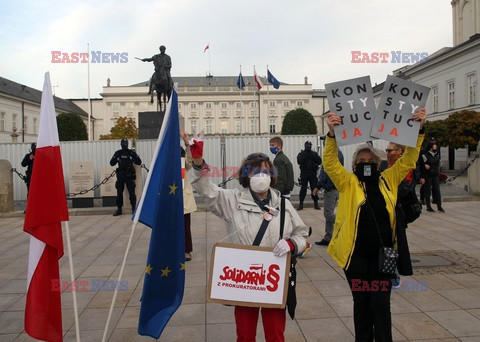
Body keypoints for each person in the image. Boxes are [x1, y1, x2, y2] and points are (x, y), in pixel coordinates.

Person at [189, 133, 308, 341]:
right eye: (254, 171)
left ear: (271, 174)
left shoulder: (284, 204)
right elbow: (208, 192)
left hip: (273, 281)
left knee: (275, 334)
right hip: (245, 282)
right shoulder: (232, 201)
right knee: (244, 335)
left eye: (264, 171)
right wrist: (198, 162)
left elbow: (302, 235)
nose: (260, 175)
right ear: (245, 174)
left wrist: (291, 244)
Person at [323, 109, 427, 341]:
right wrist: (332, 135)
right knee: (362, 301)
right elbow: (330, 164)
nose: (367, 164)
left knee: (381, 303)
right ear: (354, 165)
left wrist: (419, 130)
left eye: (371, 161)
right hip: (356, 256)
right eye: (362, 161)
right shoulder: (347, 182)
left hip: (385, 255)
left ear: (379, 164)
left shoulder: (389, 179)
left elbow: (409, 159)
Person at [312, 145, 344, 246]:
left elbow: (325, 171)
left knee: (328, 214)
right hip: (333, 186)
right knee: (329, 213)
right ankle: (329, 237)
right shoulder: (338, 152)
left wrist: (319, 185)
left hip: (331, 187)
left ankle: (344, 225)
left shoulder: (332, 153)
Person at [110, 139, 142, 216]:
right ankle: (119, 209)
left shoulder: (131, 152)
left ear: (128, 144)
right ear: (121, 144)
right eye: (123, 143)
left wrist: (133, 159)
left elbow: (139, 162)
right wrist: (116, 159)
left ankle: (134, 209)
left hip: (129, 175)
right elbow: (111, 163)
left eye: (126, 143)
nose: (124, 144)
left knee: (132, 193)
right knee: (119, 193)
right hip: (121, 175)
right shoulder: (118, 153)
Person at [181, 132, 198, 261]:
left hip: (183, 198)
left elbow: (190, 161)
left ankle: (187, 251)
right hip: (170, 199)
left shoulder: (184, 163)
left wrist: (187, 143)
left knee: (185, 226)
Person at [297, 141, 322, 210]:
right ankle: (301, 204)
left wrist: (313, 155)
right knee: (303, 189)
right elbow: (299, 161)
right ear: (305, 145)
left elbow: (319, 161)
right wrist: (305, 155)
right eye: (307, 145)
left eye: (309, 145)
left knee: (314, 188)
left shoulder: (314, 154)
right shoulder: (302, 154)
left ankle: (316, 203)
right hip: (304, 174)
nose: (308, 146)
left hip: (312, 174)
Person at [422, 142, 445, 213]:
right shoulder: (425, 155)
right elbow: (421, 163)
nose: (435, 148)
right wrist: (425, 166)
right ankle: (428, 206)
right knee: (428, 191)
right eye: (434, 147)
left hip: (435, 174)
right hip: (428, 175)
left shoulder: (437, 155)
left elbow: (438, 164)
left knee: (437, 190)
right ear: (431, 148)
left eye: (436, 147)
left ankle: (439, 206)